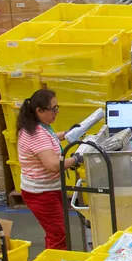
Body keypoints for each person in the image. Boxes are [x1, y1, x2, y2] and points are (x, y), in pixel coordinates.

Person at [16, 89, 82, 249]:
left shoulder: (38, 126)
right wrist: (76, 159)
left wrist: (68, 134)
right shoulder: (35, 134)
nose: (56, 112)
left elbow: (49, 137)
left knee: (57, 231)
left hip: (49, 190)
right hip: (41, 194)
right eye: (53, 109)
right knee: (58, 234)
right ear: (40, 111)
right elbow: (53, 165)